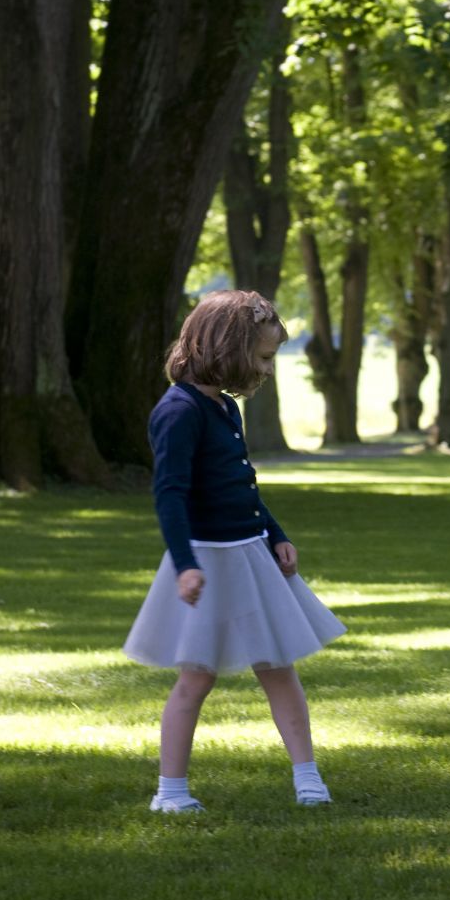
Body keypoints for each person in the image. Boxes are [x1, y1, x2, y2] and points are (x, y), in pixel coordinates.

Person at [123, 290, 346, 813]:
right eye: (264, 357)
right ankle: (170, 792)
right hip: (206, 562)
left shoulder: (225, 408)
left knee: (278, 666)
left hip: (249, 556)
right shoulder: (179, 411)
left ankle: (308, 778)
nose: (268, 369)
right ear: (228, 347)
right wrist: (185, 565)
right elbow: (170, 494)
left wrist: (276, 534)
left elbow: (241, 486)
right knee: (195, 679)